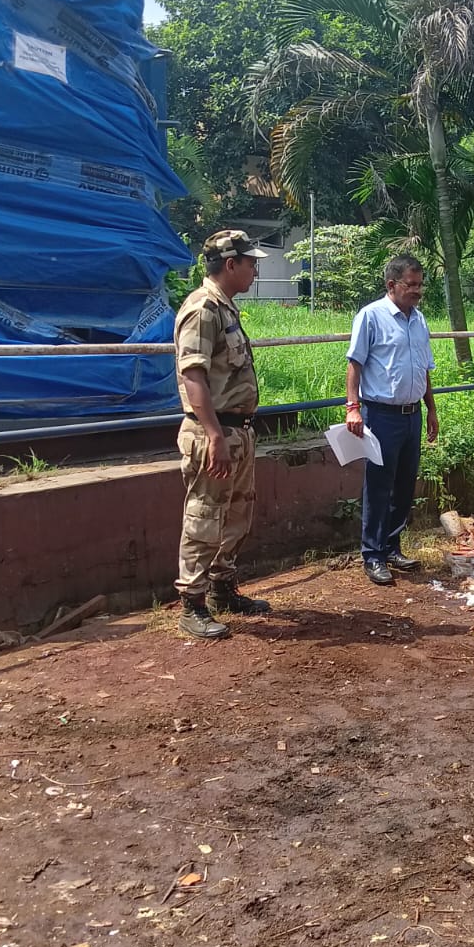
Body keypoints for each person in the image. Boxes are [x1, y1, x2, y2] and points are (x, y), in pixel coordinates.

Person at [173, 229, 271, 640]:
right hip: (214, 432)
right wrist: (214, 435)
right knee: (204, 515)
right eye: (251, 263)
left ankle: (222, 589)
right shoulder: (202, 309)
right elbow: (192, 373)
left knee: (235, 513)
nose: (255, 270)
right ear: (230, 264)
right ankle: (191, 604)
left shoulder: (225, 307)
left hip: (236, 430)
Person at [345, 255, 439, 585]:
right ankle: (373, 555)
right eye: (410, 285)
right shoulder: (371, 317)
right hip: (381, 416)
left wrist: (431, 410)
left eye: (420, 285)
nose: (417, 291)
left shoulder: (420, 320)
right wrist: (352, 407)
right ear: (391, 285)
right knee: (379, 486)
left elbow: (425, 369)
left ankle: (391, 546)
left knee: (404, 486)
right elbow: (355, 365)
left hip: (411, 414)